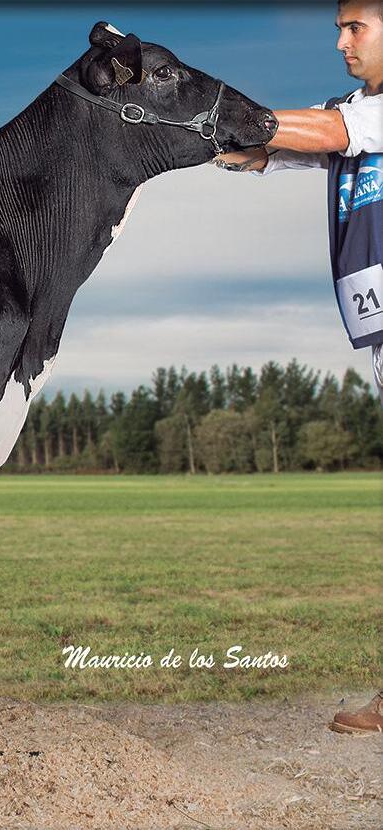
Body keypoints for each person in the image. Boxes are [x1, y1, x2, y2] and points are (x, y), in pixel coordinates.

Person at [213, 0, 383, 736]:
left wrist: (227, 112)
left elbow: (331, 133)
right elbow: (277, 149)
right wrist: (204, 137)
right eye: (339, 27)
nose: (341, 41)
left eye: (356, 27)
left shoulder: (358, 117)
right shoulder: (349, 108)